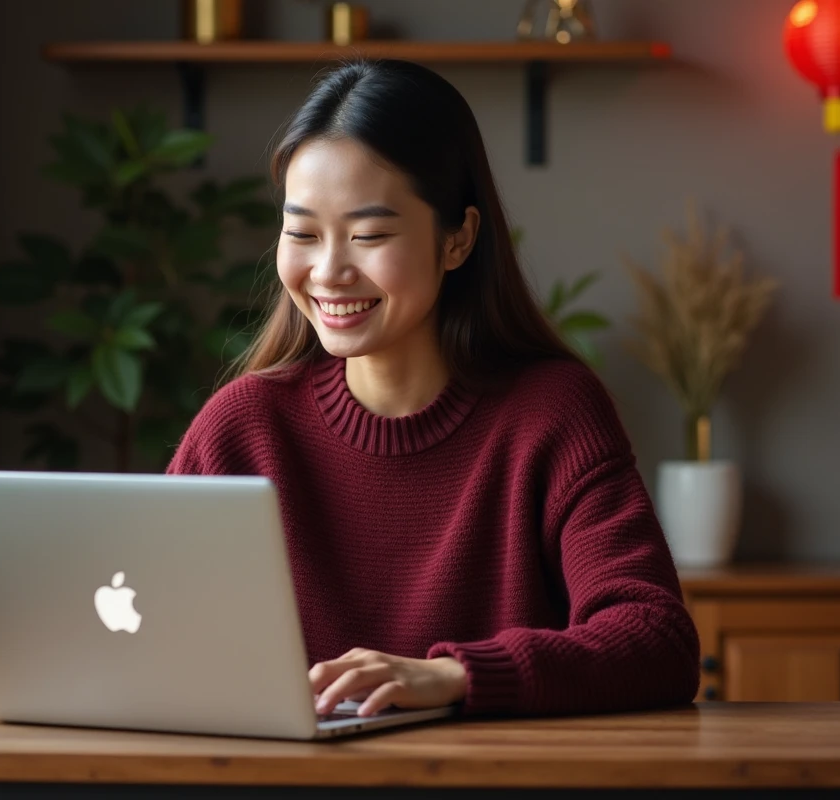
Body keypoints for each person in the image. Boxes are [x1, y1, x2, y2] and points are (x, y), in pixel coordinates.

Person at [166, 59, 700, 719]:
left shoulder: (553, 413)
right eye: (301, 233)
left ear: (458, 239)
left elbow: (656, 639)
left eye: (369, 235)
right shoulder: (240, 428)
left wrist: (454, 676)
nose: (328, 272)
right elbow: (148, 625)